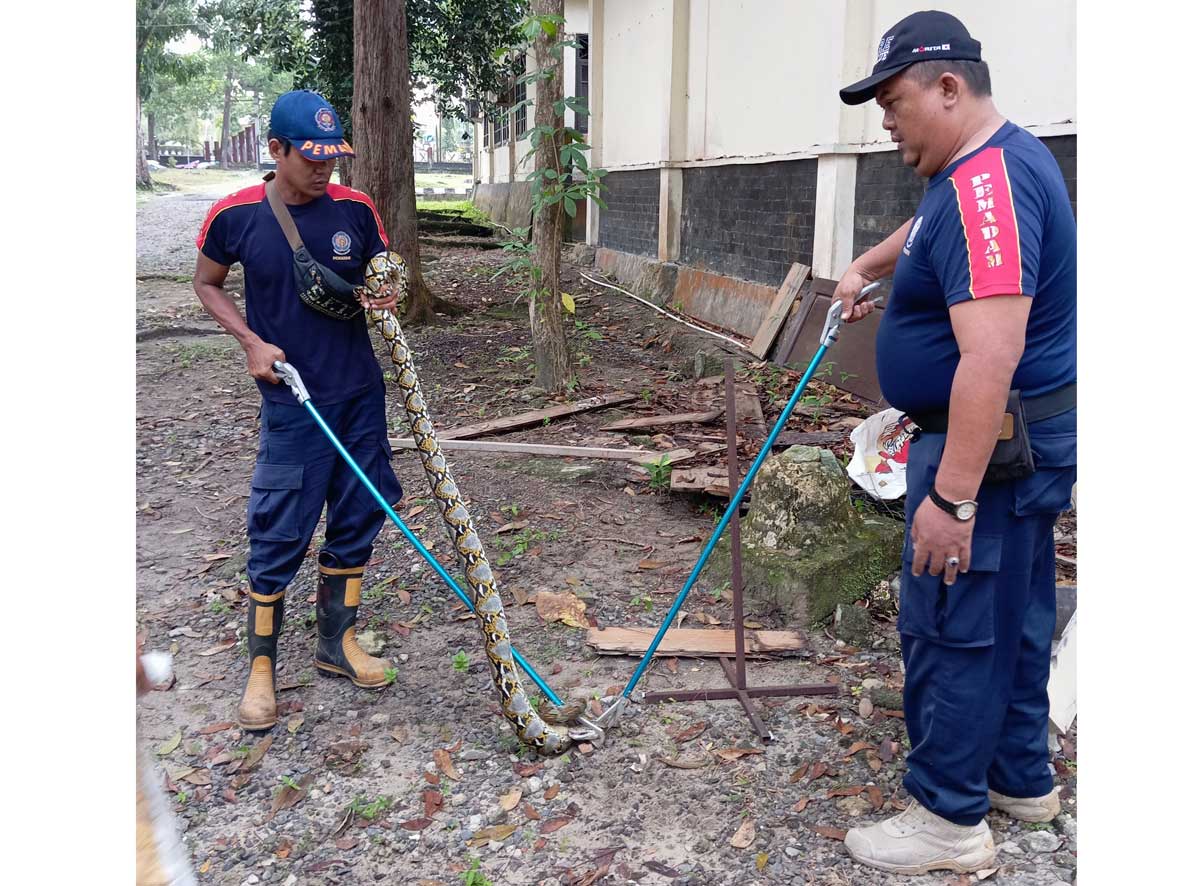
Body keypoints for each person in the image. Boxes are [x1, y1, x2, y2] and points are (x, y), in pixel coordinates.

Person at [831, 11, 1076, 875]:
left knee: (953, 624)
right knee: (1012, 613)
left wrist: (950, 498)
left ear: (948, 86)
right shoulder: (976, 167)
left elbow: (992, 352)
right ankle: (1017, 776)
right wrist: (867, 265)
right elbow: (931, 228)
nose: (886, 120)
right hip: (1017, 448)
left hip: (988, 451)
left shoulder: (988, 185)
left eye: (894, 102)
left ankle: (947, 817)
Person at [193, 90, 404, 731]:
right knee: (281, 523)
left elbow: (380, 267)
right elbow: (207, 283)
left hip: (360, 394)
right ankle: (262, 667)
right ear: (276, 150)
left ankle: (337, 643)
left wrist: (389, 285)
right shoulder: (235, 217)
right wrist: (252, 341)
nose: (324, 170)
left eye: (332, 158)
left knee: (361, 510)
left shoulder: (357, 208)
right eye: (309, 158)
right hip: (294, 401)